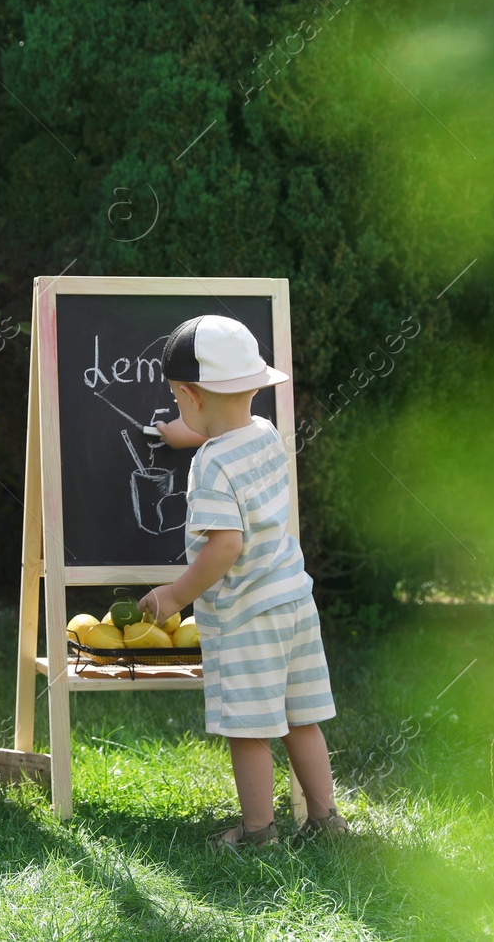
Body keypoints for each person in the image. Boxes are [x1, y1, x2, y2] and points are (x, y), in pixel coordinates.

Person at [137, 315, 345, 850]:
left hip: (247, 614)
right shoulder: (265, 433)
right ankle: (325, 821)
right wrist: (176, 433)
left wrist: (175, 595)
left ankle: (258, 833)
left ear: (188, 393)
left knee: (248, 729)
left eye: (177, 401)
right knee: (302, 719)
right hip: (295, 601)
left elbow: (224, 546)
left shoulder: (209, 467)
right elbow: (213, 425)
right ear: (253, 385)